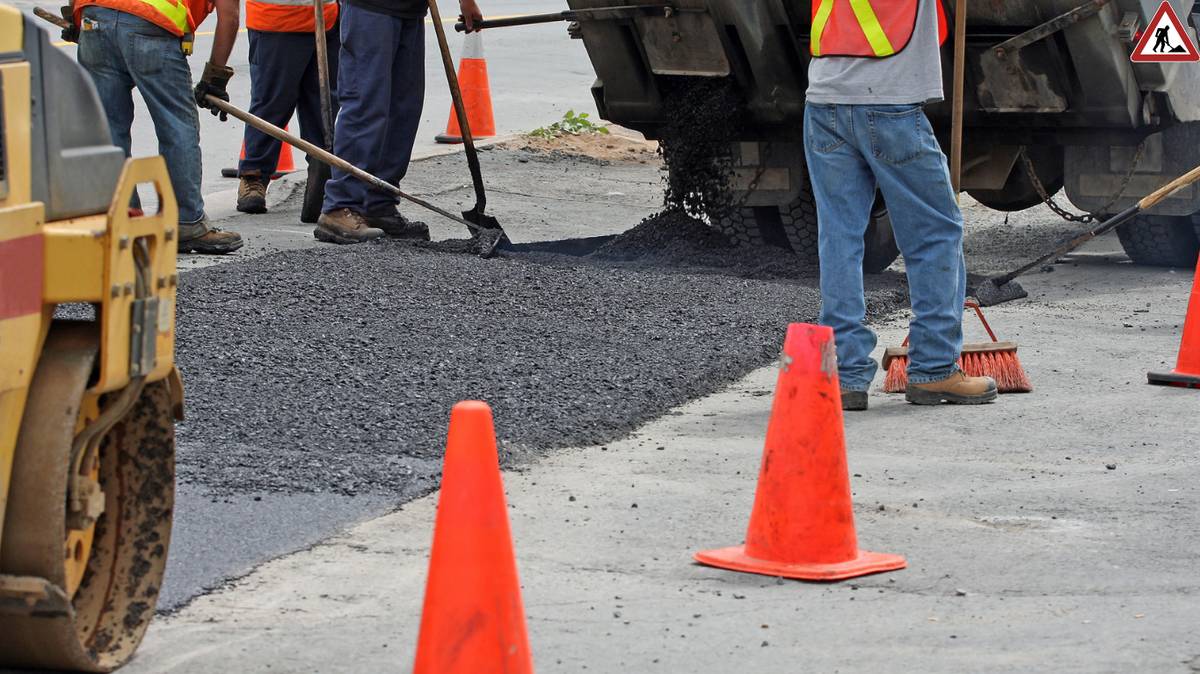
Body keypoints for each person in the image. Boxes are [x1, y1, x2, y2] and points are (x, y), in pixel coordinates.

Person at [804, 0, 997, 410]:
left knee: (839, 237)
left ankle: (843, 375)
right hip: (888, 103)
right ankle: (934, 370)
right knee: (935, 234)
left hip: (824, 100)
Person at [66, 0, 244, 254]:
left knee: (107, 129)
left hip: (95, 17)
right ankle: (186, 222)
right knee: (176, 124)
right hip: (150, 25)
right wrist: (214, 78)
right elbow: (229, 16)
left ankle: (124, 220)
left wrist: (76, 21)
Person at [314, 0, 484, 244]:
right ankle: (340, 207)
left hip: (410, 10)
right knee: (366, 103)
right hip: (370, 8)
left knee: (403, 109)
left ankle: (379, 202)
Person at [235, 0, 340, 215]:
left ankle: (322, 174)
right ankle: (254, 176)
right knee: (272, 103)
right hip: (276, 19)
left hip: (326, 19)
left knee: (323, 105)